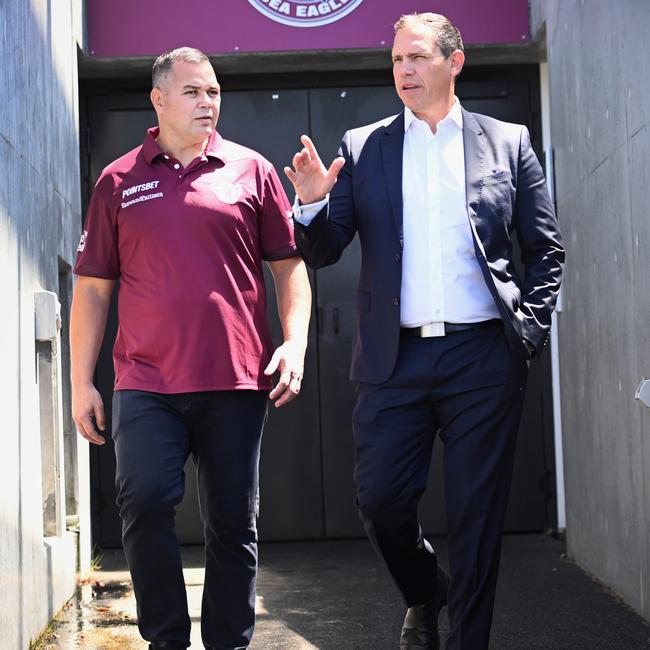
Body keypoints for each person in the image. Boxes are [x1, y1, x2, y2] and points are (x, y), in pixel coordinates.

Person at [285, 12, 564, 650]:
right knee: (381, 501)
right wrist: (309, 205)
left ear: (453, 62)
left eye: (416, 58)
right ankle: (423, 591)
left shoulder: (508, 142)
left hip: (482, 356)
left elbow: (545, 251)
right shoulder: (365, 146)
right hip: (394, 358)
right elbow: (326, 249)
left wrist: (528, 332)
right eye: (396, 61)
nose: (404, 71)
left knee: (475, 519)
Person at [70, 47, 311, 650]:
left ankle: (228, 641)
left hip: (234, 380)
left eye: (214, 91)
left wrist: (296, 343)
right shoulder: (118, 181)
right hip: (146, 381)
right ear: (158, 100)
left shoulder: (250, 171)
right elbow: (94, 290)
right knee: (144, 500)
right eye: (194, 92)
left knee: (233, 522)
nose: (209, 102)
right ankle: (167, 639)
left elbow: (290, 269)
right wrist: (80, 381)